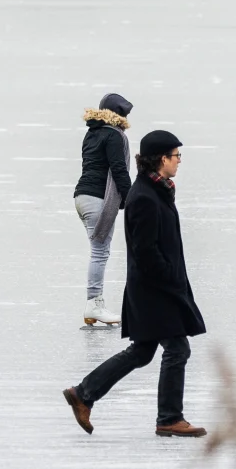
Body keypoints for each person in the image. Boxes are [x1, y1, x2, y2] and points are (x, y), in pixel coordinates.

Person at [63, 131, 208, 438]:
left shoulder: (157, 191)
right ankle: (169, 418)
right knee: (177, 349)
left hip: (156, 288)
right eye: (176, 156)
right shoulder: (143, 197)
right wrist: (169, 277)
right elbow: (145, 251)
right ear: (161, 159)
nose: (179, 161)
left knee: (142, 352)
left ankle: (83, 393)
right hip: (155, 291)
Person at [74, 93, 132, 326]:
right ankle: (94, 304)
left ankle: (93, 306)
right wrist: (132, 198)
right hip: (98, 199)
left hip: (82, 197)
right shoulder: (114, 135)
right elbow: (119, 170)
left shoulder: (91, 133)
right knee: (99, 251)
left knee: (98, 250)